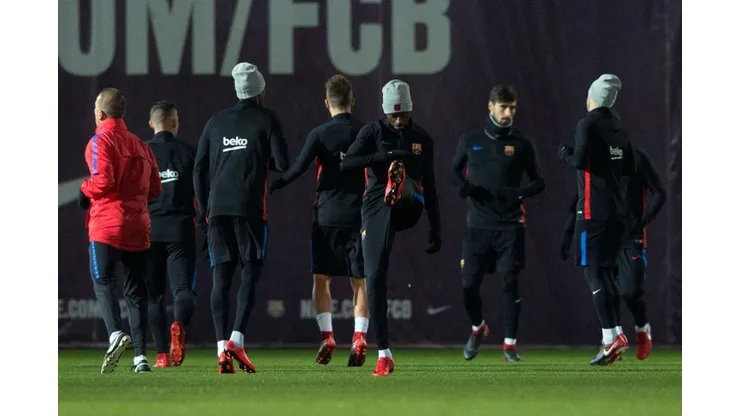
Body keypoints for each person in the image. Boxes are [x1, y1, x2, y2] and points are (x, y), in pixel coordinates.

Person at [340, 79, 441, 377]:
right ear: (385, 112)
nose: (398, 120)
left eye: (403, 114)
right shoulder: (373, 132)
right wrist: (385, 157)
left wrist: (436, 226)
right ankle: (384, 354)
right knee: (375, 275)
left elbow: (431, 185)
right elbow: (348, 163)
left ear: (411, 110)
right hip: (376, 205)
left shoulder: (422, 139)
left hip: (411, 202)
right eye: (393, 114)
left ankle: (398, 184)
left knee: (410, 186)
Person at [193, 62, 289, 374]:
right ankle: (236, 339)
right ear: (260, 92)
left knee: (220, 277)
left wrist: (203, 211)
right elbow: (283, 162)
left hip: (217, 210)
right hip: (249, 208)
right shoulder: (267, 118)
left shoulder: (216, 121)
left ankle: (221, 349)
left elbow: (199, 167)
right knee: (250, 271)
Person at [269, 75, 369, 367]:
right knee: (360, 280)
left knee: (321, 278)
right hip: (358, 216)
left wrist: (276, 182)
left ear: (327, 103)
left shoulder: (319, 134)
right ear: (352, 101)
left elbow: (297, 169)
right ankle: (359, 337)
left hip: (327, 217)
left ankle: (327, 337)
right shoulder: (366, 132)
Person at [451, 85, 545, 362]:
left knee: (510, 282)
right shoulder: (471, 140)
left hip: (510, 225)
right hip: (478, 226)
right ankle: (478, 327)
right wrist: (463, 187)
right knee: (468, 285)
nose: (508, 113)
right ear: (490, 106)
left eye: (512, 108)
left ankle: (510, 345)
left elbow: (539, 181)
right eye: (503, 107)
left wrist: (519, 194)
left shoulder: (521, 143)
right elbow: (454, 171)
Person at [77, 88, 162, 373]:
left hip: (107, 226)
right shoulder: (141, 146)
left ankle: (115, 334)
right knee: (137, 293)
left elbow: (103, 181)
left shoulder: (100, 141)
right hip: (138, 227)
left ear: (100, 114)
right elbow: (155, 189)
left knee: (104, 282)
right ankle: (141, 357)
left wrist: (84, 189)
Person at [557, 74, 636, 366]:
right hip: (616, 212)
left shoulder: (587, 124)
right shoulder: (619, 128)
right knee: (605, 273)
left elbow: (579, 160)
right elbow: (629, 167)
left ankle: (609, 337)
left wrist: (564, 153)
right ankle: (614, 336)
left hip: (593, 212)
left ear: (593, 97)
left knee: (594, 273)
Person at [561, 146, 666, 360]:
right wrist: (568, 230)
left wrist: (643, 220)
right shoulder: (598, 159)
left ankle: (642, 327)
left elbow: (660, 192)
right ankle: (614, 340)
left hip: (631, 237)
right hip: (605, 232)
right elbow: (582, 196)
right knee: (608, 287)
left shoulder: (637, 158)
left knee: (630, 291)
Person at [143, 101, 198, 368]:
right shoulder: (188, 152)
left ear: (151, 124)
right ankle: (179, 324)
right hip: (180, 229)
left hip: (148, 230)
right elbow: (202, 191)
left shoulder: (142, 152)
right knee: (183, 290)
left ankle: (162, 355)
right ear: (175, 123)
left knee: (153, 295)